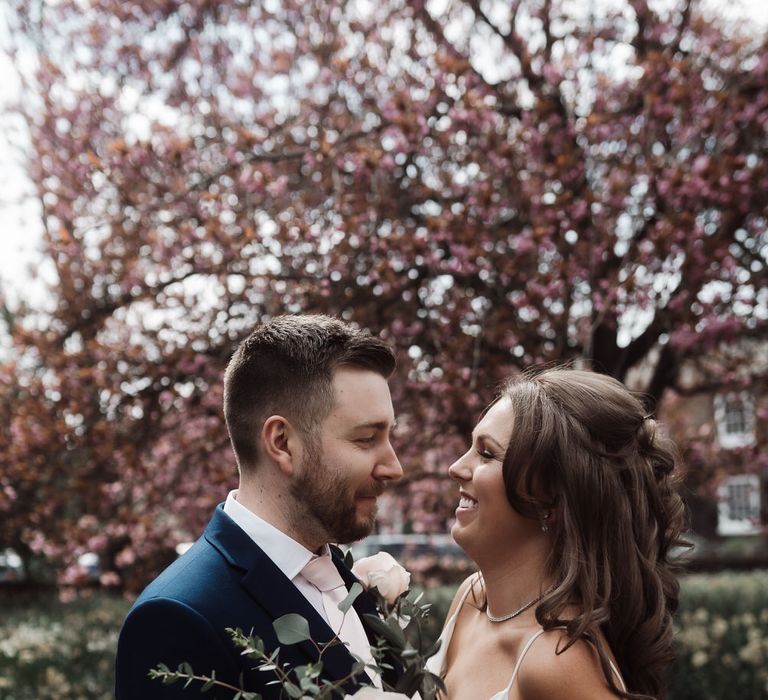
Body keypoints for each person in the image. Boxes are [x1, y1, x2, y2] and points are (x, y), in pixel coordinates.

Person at [115, 315, 404, 699]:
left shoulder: (354, 586)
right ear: (282, 443)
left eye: (389, 436)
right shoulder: (177, 619)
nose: (394, 467)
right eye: (367, 438)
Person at [428, 367, 688, 700]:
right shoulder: (471, 598)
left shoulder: (558, 661)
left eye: (487, 454)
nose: (456, 467)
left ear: (549, 499)